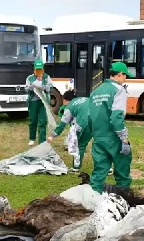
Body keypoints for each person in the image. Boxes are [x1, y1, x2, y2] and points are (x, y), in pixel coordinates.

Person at [88, 62, 133, 193]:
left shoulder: (96, 91)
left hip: (98, 136)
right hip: (113, 137)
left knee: (99, 171)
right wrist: (124, 139)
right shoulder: (119, 90)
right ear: (119, 74)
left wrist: (94, 134)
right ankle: (123, 196)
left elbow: (90, 117)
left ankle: (93, 199)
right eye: (125, 76)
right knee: (122, 168)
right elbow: (116, 118)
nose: (126, 79)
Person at [47, 90, 91, 174]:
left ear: (65, 99)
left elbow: (62, 124)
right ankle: (108, 168)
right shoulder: (86, 99)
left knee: (79, 146)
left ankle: (76, 168)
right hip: (97, 123)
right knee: (99, 146)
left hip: (82, 125)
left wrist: (52, 136)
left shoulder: (69, 107)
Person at [24, 59, 54, 145]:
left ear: (43, 69)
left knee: (42, 121)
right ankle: (32, 138)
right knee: (33, 120)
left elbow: (51, 88)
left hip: (43, 102)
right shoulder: (30, 78)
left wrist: (45, 87)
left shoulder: (46, 77)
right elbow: (26, 89)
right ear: (34, 69)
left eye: (40, 69)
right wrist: (31, 88)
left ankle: (42, 140)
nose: (39, 71)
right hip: (33, 101)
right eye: (37, 69)